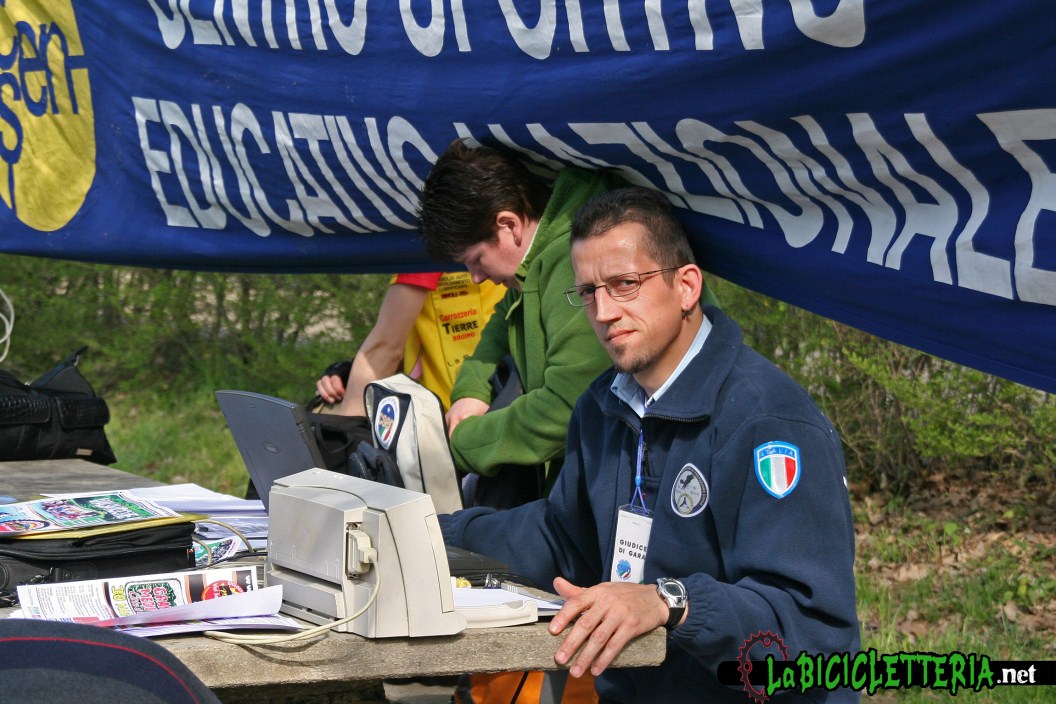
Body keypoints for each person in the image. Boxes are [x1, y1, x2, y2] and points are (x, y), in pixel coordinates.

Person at [440, 187, 860, 703]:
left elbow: (813, 634)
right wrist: (436, 535)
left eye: (624, 284)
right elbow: (563, 538)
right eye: (589, 292)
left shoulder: (769, 422)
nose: (604, 311)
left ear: (686, 287)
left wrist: (671, 603)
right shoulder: (600, 408)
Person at [316, 271, 505, 415]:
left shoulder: (428, 249)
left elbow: (385, 348)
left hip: (455, 422)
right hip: (503, 408)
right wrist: (351, 373)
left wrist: (347, 436)